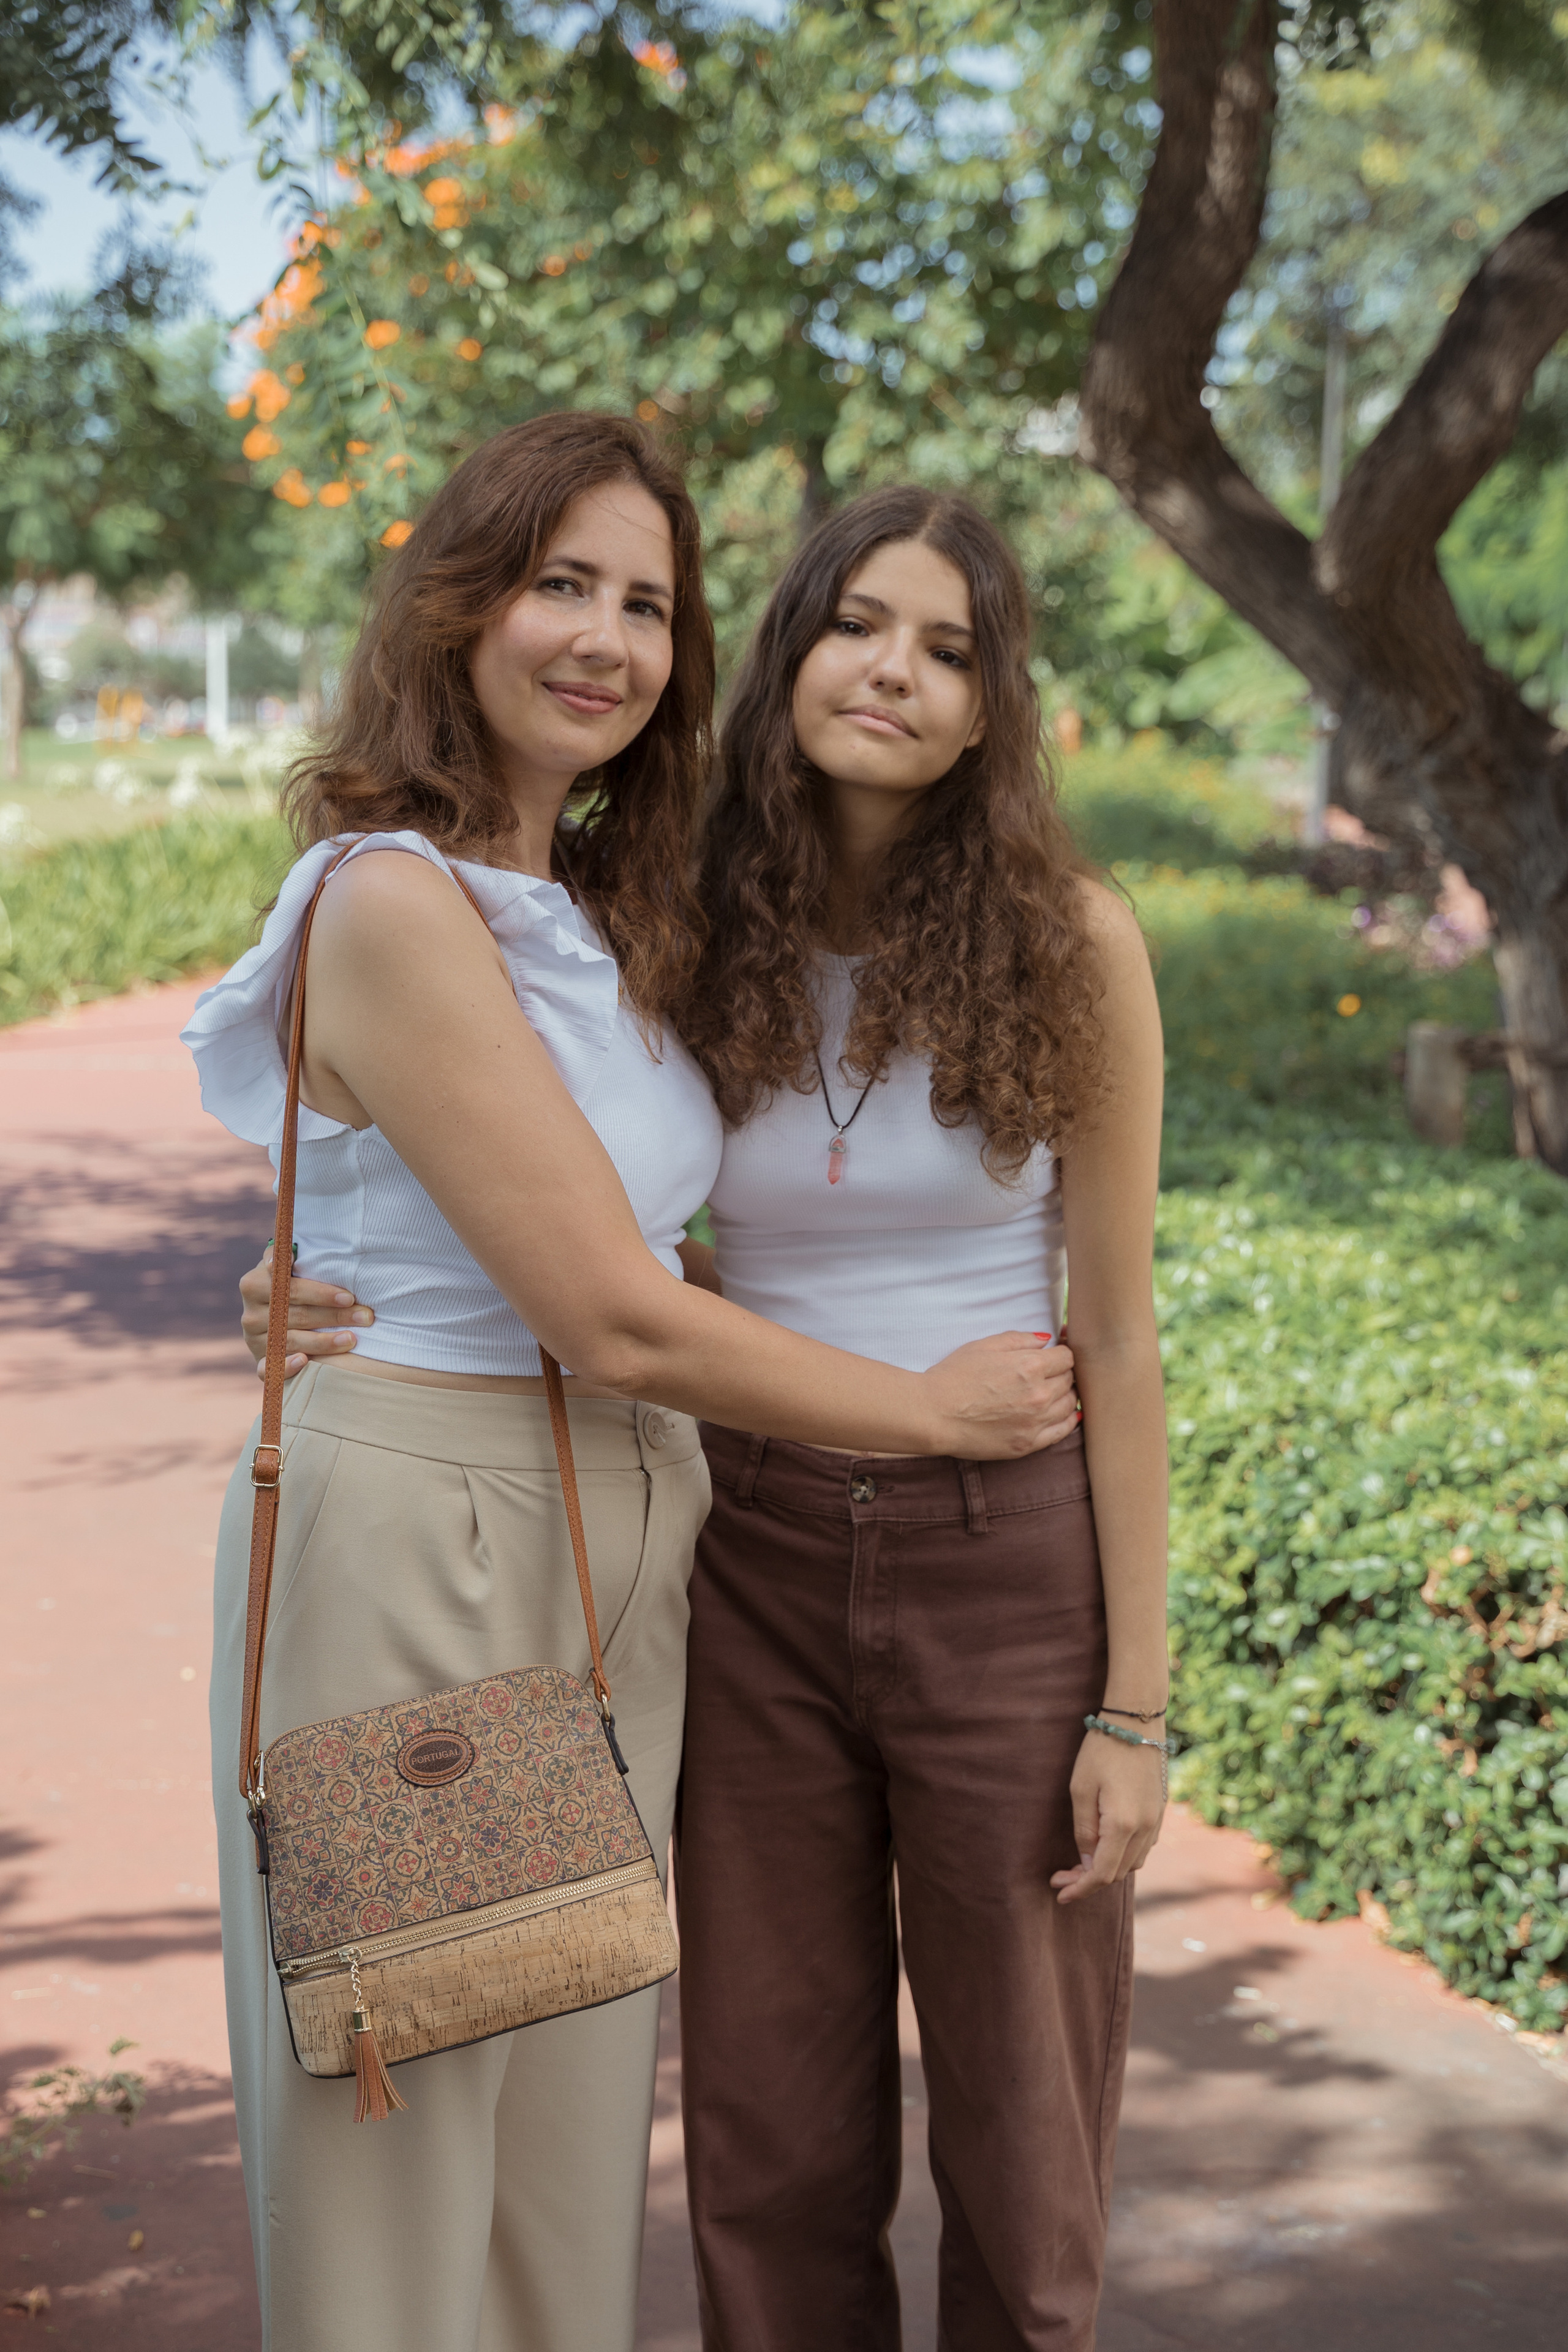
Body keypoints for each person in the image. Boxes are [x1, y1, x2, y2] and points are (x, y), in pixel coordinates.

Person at [195, 417, 1074, 2352]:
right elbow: (610, 1312)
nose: (603, 637)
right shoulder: (397, 900)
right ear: (458, 602)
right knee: (402, 2139)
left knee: (563, 2173)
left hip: (620, 1547)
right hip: (439, 1536)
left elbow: (609, 1231)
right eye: (558, 583)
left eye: (648, 602)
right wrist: (938, 1414)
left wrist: (318, 1252)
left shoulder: (597, 906)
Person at [666, 486, 1167, 2351]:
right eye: (861, 623)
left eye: (950, 649)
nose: (896, 670)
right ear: (791, 647)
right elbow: (575, 1227)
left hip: (1008, 1575)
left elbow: (1115, 1335)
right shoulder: (677, 925)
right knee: (769, 2128)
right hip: (752, 1558)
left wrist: (1137, 1702)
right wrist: (323, 1282)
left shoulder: (1071, 939)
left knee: (1029, 2140)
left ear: (988, 708)